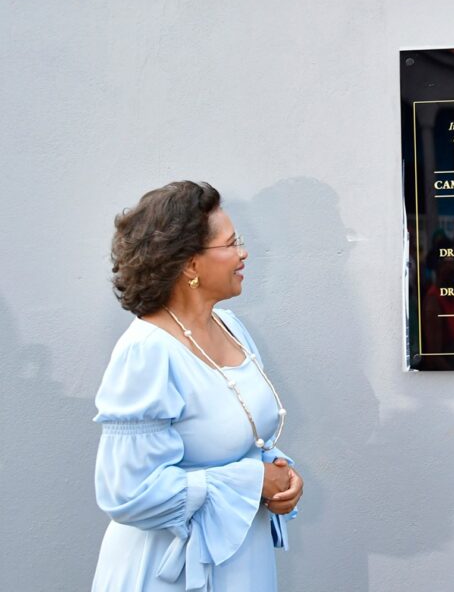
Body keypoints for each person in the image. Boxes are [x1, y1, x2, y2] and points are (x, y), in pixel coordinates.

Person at [92, 181, 303, 591]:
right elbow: (128, 494)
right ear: (190, 265)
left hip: (240, 561)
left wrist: (280, 474)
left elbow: (241, 440)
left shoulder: (230, 327)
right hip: (168, 574)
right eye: (231, 243)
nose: (243, 253)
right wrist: (252, 481)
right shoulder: (147, 352)